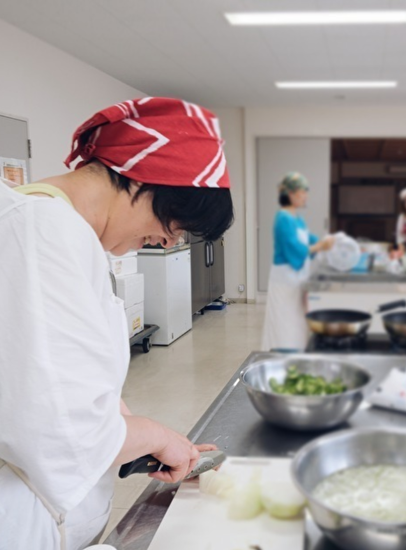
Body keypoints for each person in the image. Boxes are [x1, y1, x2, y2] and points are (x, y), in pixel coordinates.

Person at [0, 98, 233, 550]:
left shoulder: (55, 228)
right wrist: (155, 435)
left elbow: (65, 374)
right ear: (142, 180)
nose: (168, 239)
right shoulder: (42, 231)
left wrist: (143, 435)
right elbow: (62, 430)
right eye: (175, 222)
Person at [261, 172, 334, 351]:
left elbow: (309, 238)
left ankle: (295, 354)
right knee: (284, 325)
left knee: (296, 323)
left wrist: (328, 242)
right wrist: (320, 246)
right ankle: (283, 356)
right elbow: (295, 249)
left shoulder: (296, 218)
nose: (305, 196)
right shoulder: (283, 218)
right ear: (291, 194)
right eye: (302, 192)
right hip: (285, 279)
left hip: (296, 277)